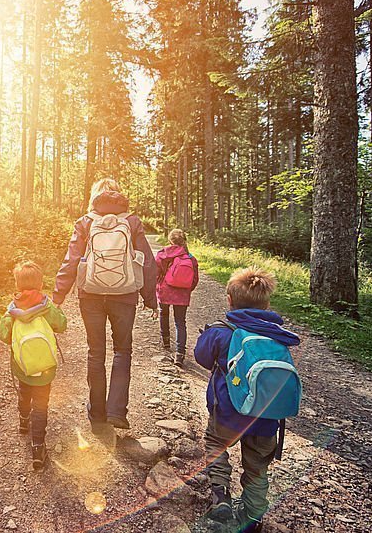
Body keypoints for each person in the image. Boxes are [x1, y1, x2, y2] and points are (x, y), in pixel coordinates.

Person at [194, 267, 300, 532]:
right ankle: (252, 515)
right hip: (266, 417)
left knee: (216, 445)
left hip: (227, 414)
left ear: (229, 300)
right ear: (266, 304)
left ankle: (220, 499)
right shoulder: (278, 336)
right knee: (257, 466)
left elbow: (201, 357)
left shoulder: (221, 331)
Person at [53, 178, 157, 430]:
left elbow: (72, 260)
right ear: (118, 196)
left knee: (95, 352)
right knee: (122, 351)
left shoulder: (85, 222)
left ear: (94, 197)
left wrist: (57, 296)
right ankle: (117, 411)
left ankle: (96, 412)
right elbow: (147, 261)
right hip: (124, 295)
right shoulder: (131, 222)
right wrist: (150, 298)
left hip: (90, 294)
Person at [0, 261, 67, 470]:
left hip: (22, 366)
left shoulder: (12, 310)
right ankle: (38, 447)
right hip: (44, 367)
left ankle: (23, 420)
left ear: (17, 284)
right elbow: (62, 325)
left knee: (24, 391)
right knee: (41, 404)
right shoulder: (46, 307)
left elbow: (3, 336)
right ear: (40, 282)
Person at [155, 228, 199, 368]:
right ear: (184, 240)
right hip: (182, 294)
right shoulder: (191, 258)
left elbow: (156, 272)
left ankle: (166, 341)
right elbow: (194, 280)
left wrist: (158, 286)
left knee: (164, 314)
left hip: (165, 290)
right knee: (180, 322)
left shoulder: (163, 254)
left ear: (170, 240)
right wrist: (186, 290)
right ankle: (180, 354)